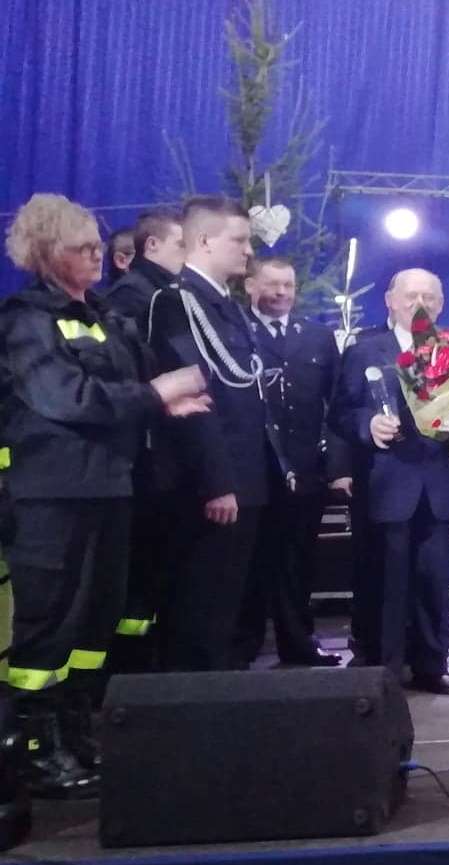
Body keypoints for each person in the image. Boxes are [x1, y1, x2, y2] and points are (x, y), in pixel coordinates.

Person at [1, 193, 209, 797]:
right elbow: (66, 397)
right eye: (82, 248)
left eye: (97, 245)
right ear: (46, 252)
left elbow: (131, 387)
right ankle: (35, 750)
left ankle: (75, 733)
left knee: (95, 622)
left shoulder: (103, 316)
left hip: (112, 487)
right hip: (51, 495)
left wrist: (165, 403)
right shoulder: (25, 320)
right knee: (49, 623)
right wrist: (157, 394)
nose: (97, 256)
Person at [332, 268, 449, 694]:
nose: (420, 303)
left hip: (440, 485)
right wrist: (368, 425)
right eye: (411, 295)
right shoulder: (365, 350)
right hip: (387, 484)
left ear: (441, 305)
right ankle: (384, 668)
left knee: (431, 580)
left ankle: (432, 665)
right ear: (390, 300)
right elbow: (340, 414)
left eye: (429, 296)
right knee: (385, 581)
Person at [147, 196, 275, 672]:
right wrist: (216, 482)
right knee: (200, 607)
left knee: (229, 605)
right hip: (212, 484)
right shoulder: (177, 302)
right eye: (239, 240)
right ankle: (194, 702)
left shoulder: (225, 306)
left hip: (246, 478)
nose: (248, 251)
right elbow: (193, 400)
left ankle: (221, 693)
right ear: (203, 240)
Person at [233, 256, 352, 667]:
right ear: (250, 286)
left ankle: (298, 643)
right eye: (272, 284)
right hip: (253, 470)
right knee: (247, 561)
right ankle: (242, 647)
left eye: (288, 285)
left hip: (304, 473)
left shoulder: (317, 337)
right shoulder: (235, 332)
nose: (281, 293)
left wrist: (338, 468)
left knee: (298, 561)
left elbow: (337, 407)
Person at [100, 207, 186, 674]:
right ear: (151, 246)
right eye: (180, 245)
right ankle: (128, 672)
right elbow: (128, 375)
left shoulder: (162, 293)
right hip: (142, 458)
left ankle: (145, 664)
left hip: (159, 457)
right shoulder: (135, 296)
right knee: (138, 575)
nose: (187, 255)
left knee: (153, 573)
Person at [100, 208, 185, 334]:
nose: (188, 252)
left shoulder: (175, 286)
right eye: (181, 245)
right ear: (152, 244)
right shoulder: (128, 292)